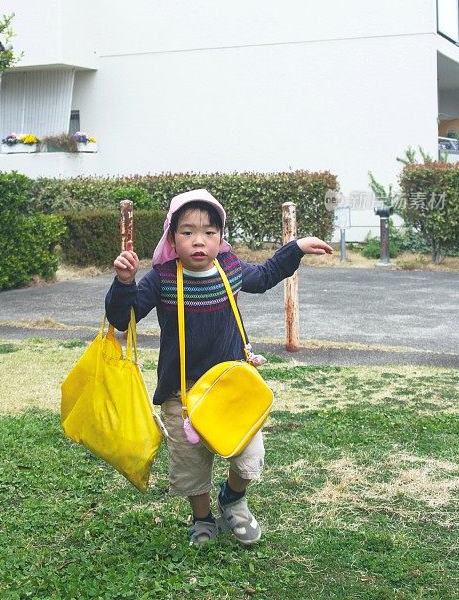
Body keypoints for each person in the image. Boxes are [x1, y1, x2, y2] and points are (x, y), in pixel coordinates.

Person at [105, 189, 333, 547]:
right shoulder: (162, 277)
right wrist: (124, 283)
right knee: (191, 466)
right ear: (171, 237)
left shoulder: (230, 268)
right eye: (187, 232)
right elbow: (122, 317)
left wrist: (297, 246)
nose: (199, 240)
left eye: (210, 232)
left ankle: (233, 498)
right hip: (182, 392)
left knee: (248, 456)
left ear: (221, 238)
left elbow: (268, 273)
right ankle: (202, 518)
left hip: (231, 389)